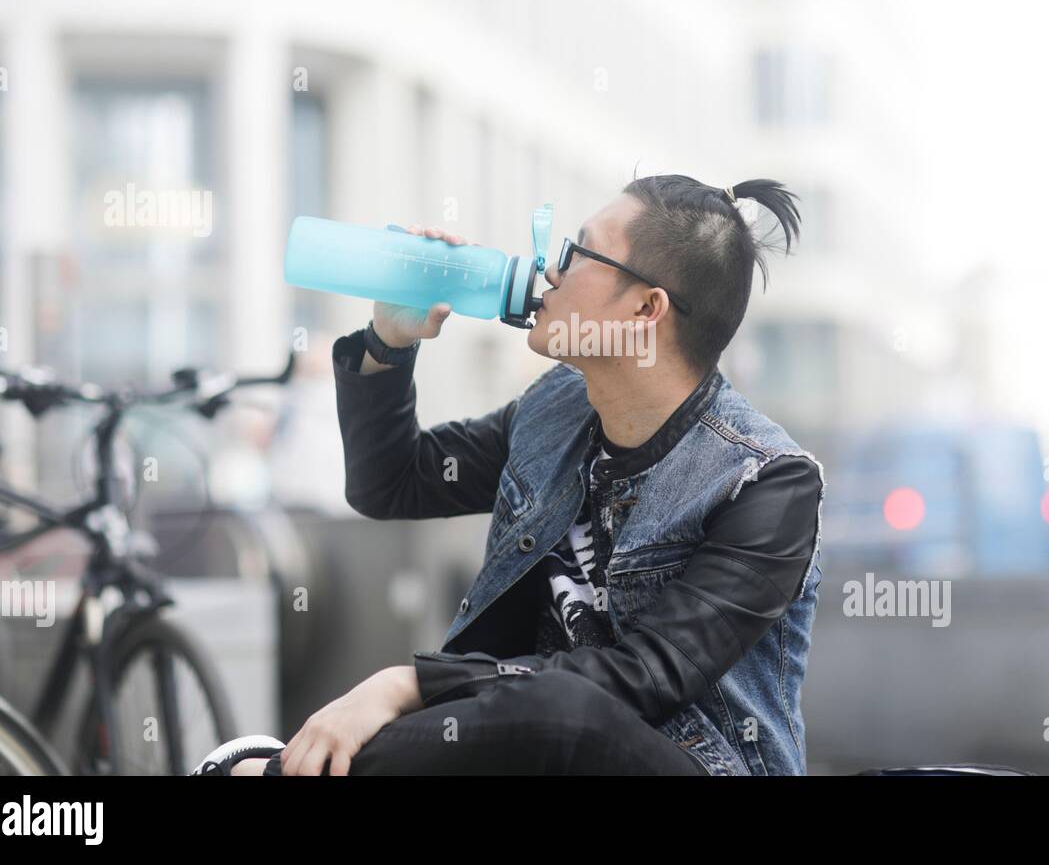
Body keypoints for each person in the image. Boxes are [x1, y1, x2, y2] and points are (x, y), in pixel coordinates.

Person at [192, 175, 826, 776]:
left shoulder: (768, 482)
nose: (549, 269)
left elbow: (644, 677)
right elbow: (392, 481)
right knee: (541, 709)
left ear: (645, 309)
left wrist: (408, 684)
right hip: (530, 740)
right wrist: (389, 341)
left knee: (561, 709)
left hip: (681, 761)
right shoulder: (556, 410)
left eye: (578, 253)